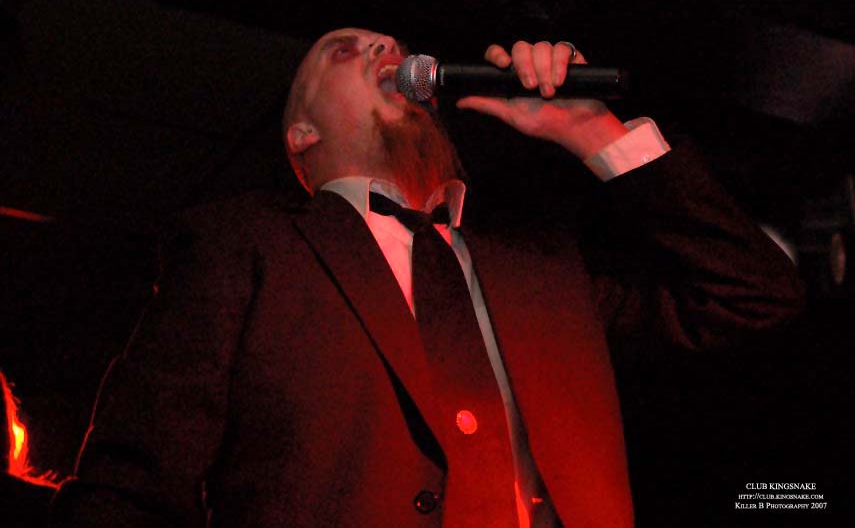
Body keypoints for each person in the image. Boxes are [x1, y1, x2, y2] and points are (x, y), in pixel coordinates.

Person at [49, 28, 803, 528]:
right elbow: (132, 483)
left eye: (391, 43)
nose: (384, 45)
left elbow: (752, 294)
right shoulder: (247, 244)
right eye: (344, 51)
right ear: (301, 134)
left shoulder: (541, 266)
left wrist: (593, 133)